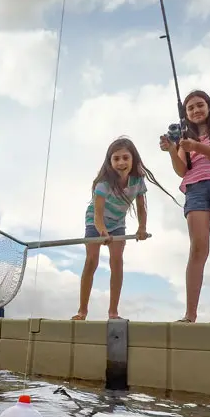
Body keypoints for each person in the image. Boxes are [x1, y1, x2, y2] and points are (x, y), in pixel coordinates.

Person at [73, 136, 178, 321]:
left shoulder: (137, 181)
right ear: (110, 161)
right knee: (91, 260)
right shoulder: (103, 183)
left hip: (118, 223)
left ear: (133, 159)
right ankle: (82, 311)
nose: (121, 163)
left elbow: (141, 207)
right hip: (95, 221)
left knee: (117, 262)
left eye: (125, 158)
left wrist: (142, 228)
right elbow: (97, 214)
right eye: (116, 159)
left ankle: (113, 312)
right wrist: (102, 230)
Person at [159, 89, 210, 323]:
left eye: (199, 105)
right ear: (185, 114)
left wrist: (197, 146)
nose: (196, 110)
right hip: (195, 190)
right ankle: (190, 315)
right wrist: (172, 151)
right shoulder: (186, 138)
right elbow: (182, 171)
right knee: (197, 249)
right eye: (190, 108)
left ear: (209, 107)